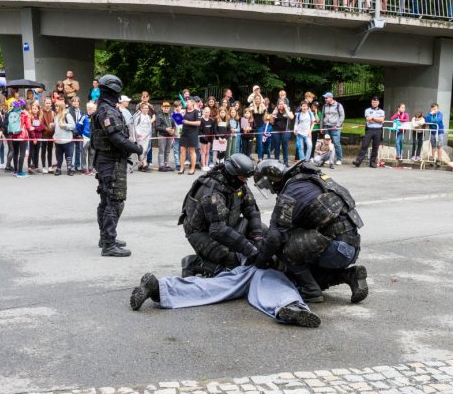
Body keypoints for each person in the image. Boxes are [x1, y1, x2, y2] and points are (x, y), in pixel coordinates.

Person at [253, 160, 368, 304]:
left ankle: (311, 291)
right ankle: (350, 275)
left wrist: (259, 262)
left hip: (336, 249)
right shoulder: (311, 178)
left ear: (272, 180)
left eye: (267, 186)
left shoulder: (291, 192)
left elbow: (274, 237)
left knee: (284, 246)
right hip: (352, 247)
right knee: (305, 277)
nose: (269, 190)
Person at [129, 267, 321, 328]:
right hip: (253, 261)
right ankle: (292, 307)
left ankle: (159, 288)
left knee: (217, 287)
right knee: (275, 281)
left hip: (240, 261)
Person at [178, 153, 263, 277]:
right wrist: (249, 248)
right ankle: (193, 263)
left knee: (262, 230)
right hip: (202, 233)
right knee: (231, 263)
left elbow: (251, 210)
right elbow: (217, 230)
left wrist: (257, 237)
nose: (245, 180)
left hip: (225, 224)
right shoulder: (212, 191)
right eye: (243, 177)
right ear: (233, 175)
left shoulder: (238, 184)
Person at [90, 74, 144, 257]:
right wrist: (137, 148)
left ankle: (106, 238)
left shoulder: (105, 108)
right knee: (114, 201)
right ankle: (109, 243)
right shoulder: (108, 111)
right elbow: (116, 137)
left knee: (107, 200)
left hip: (106, 159)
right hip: (110, 161)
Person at [353, 96, 384, 168]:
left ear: (378, 102)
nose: (374, 103)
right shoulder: (367, 110)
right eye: (373, 102)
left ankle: (372, 163)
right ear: (371, 102)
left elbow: (381, 121)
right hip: (369, 129)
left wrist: (373, 118)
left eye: (376, 102)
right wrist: (377, 120)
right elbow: (368, 119)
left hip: (378, 130)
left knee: (375, 147)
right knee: (364, 145)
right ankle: (358, 161)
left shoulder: (382, 111)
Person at [53, 100, 76, 176]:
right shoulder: (56, 116)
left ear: (61, 107)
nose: (55, 107)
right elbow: (57, 128)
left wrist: (65, 126)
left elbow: (73, 126)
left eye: (57, 106)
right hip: (58, 140)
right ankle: (58, 169)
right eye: (55, 106)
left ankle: (69, 169)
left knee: (68, 155)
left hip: (67, 140)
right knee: (58, 156)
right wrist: (53, 125)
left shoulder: (67, 115)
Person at [321, 92, 345, 165]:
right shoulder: (324, 106)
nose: (325, 99)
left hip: (335, 127)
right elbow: (322, 117)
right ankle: (329, 158)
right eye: (325, 98)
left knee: (336, 143)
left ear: (331, 98)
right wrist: (321, 127)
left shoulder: (338, 105)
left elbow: (342, 116)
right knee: (327, 143)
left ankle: (339, 159)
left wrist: (337, 125)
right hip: (326, 127)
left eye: (326, 98)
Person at [179, 99, 200, 175]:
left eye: (188, 102)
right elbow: (180, 121)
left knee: (192, 151)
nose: (186, 103)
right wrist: (180, 116)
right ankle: (182, 168)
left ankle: (192, 169)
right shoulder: (184, 111)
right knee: (182, 150)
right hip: (184, 133)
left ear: (193, 104)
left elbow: (198, 123)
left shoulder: (196, 112)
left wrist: (187, 122)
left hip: (192, 133)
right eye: (186, 102)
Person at [271, 99, 293, 166]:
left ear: (284, 104)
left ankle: (285, 162)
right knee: (276, 146)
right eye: (279, 104)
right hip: (276, 131)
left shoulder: (287, 111)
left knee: (285, 146)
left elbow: (291, 117)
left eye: (282, 104)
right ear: (277, 105)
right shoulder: (275, 111)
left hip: (285, 131)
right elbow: (271, 122)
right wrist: (273, 114)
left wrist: (286, 109)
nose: (281, 105)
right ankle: (276, 161)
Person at [155, 101, 175, 172]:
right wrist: (166, 129)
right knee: (161, 151)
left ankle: (166, 165)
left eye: (167, 108)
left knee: (168, 151)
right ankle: (161, 166)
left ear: (169, 108)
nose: (166, 109)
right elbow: (157, 127)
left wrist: (173, 130)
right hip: (162, 135)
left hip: (170, 136)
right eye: (165, 108)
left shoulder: (171, 115)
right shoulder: (159, 116)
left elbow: (174, 125)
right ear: (162, 108)